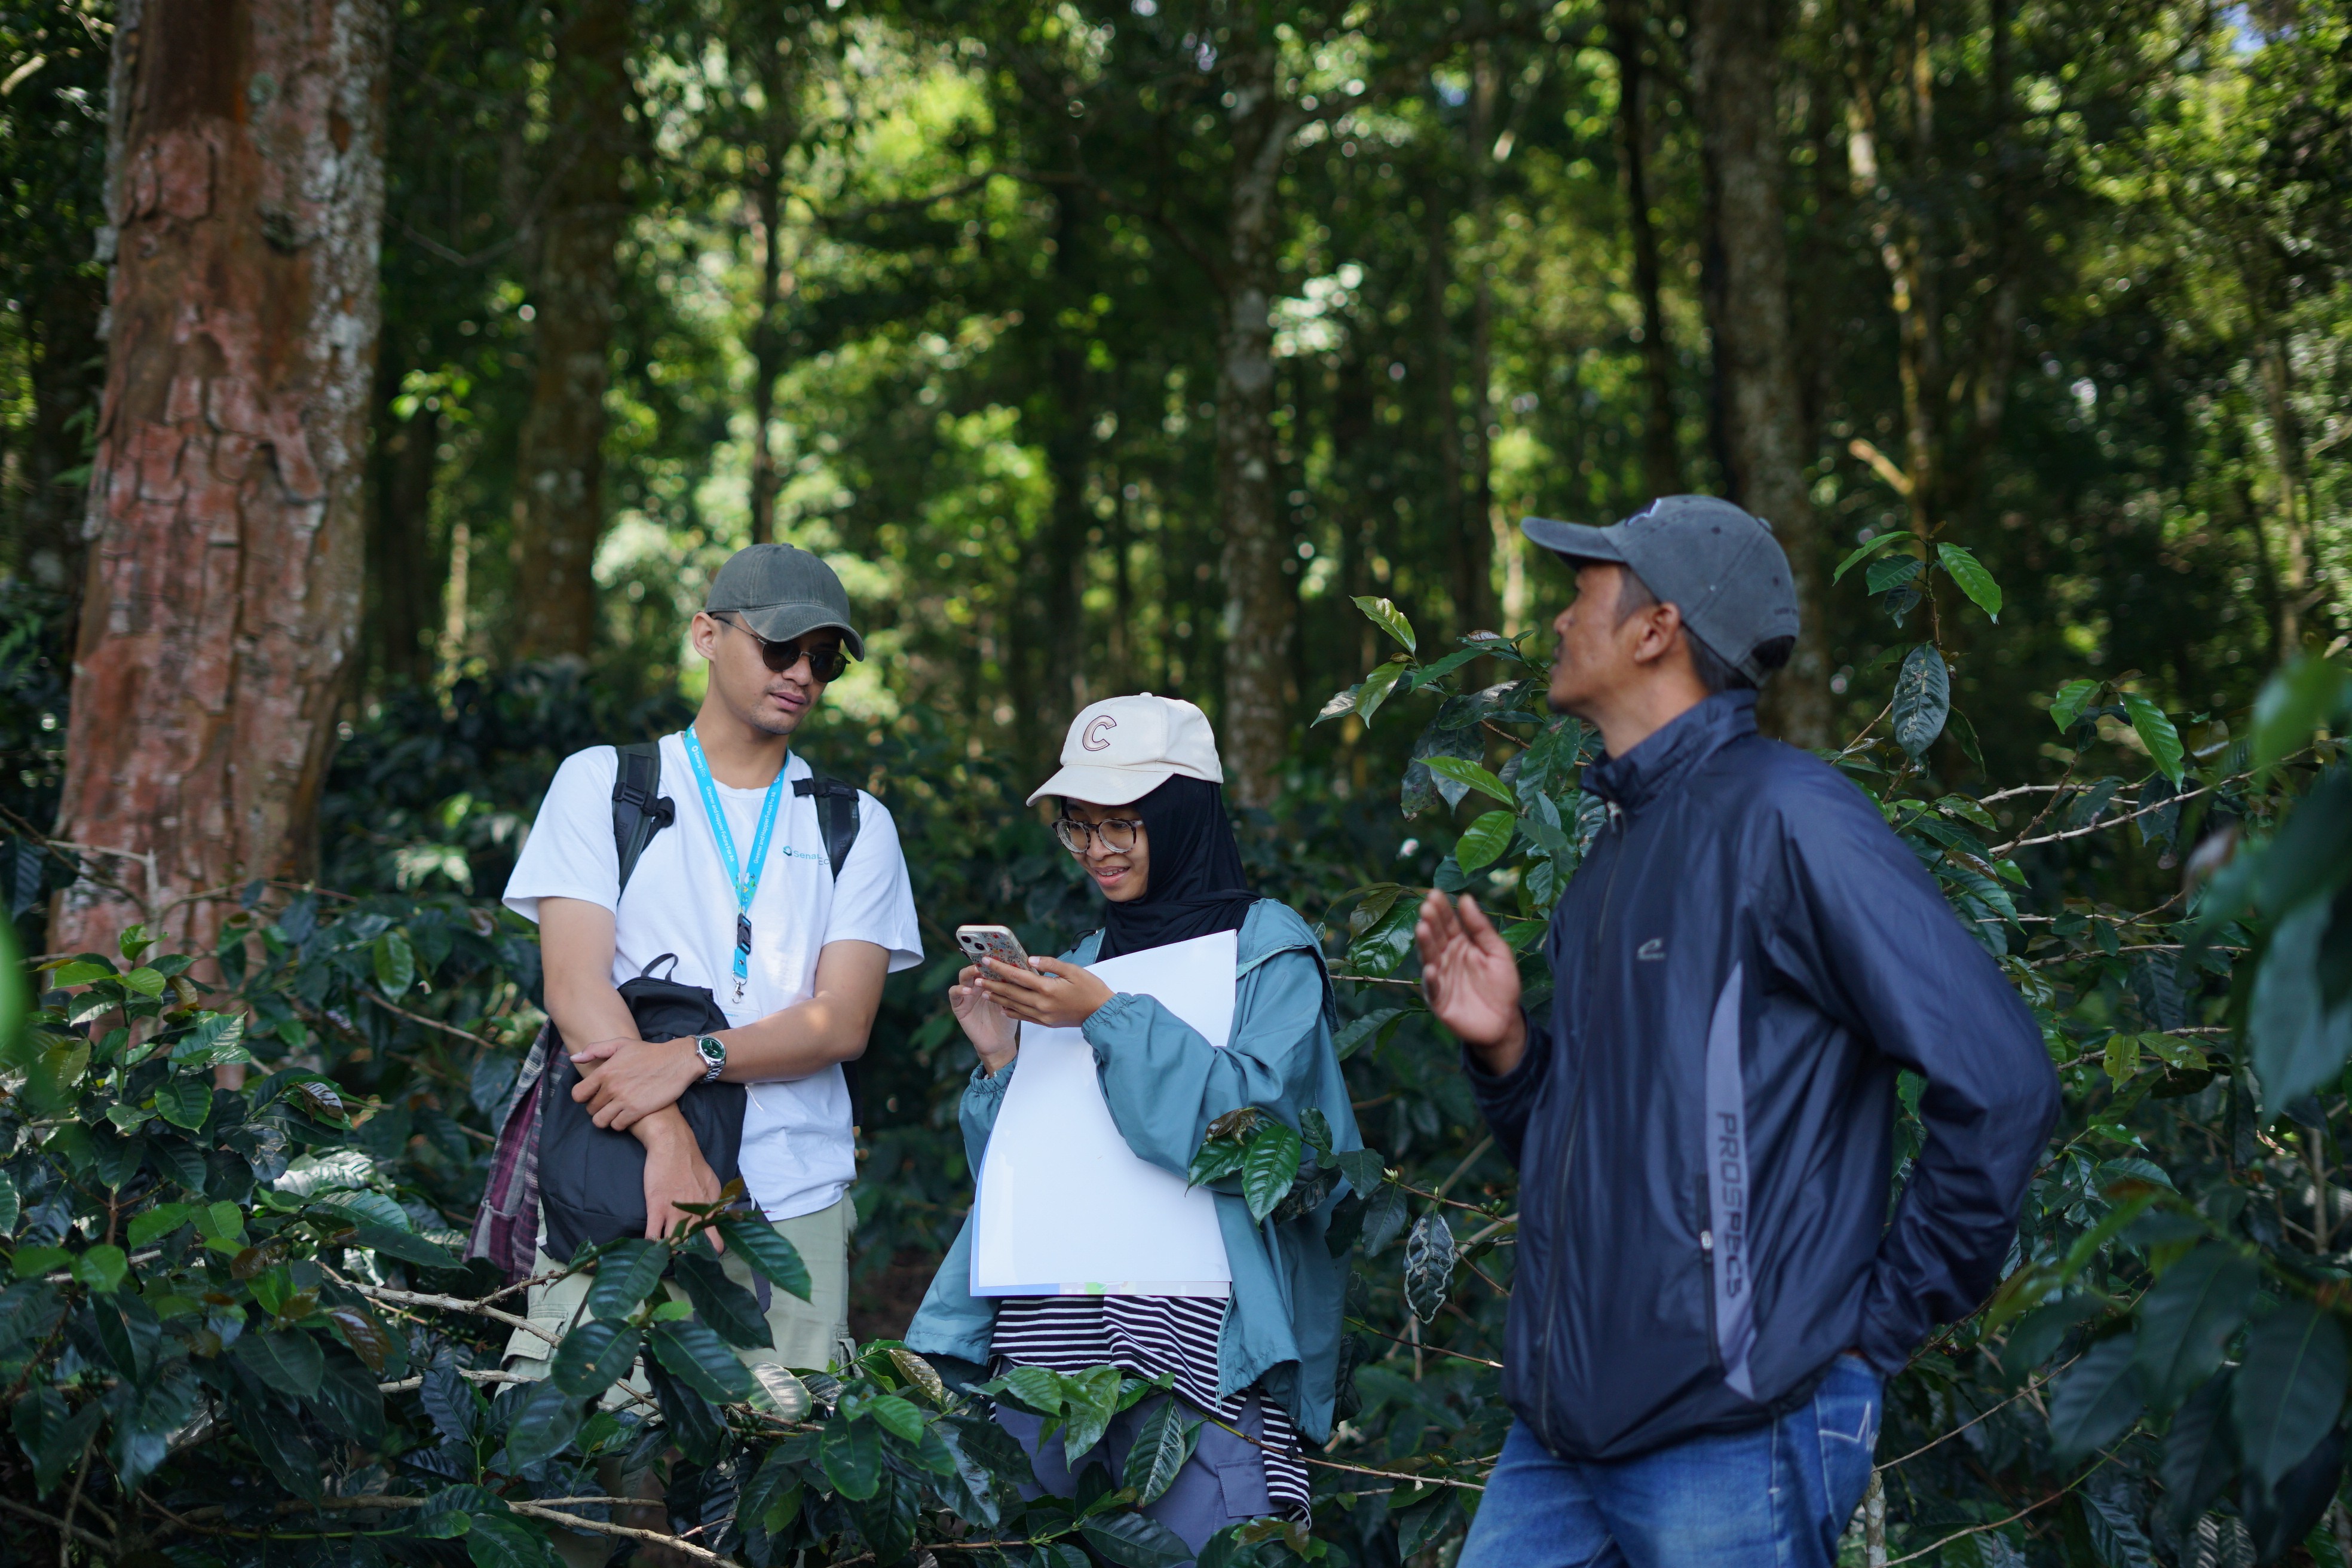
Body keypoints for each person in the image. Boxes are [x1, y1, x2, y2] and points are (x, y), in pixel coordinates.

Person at [1414, 496, 2060, 1567]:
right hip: (1562, 1433)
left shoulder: (1789, 815)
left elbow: (2002, 1082)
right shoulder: (1611, 861)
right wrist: (1508, 1049)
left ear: (1656, 629)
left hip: (1735, 1427)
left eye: (1584, 596)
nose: (1561, 622)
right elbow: (1595, 1155)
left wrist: (1874, 1329)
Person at [906, 694, 1360, 1557]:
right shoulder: (1082, 961)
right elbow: (1024, 1177)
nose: (1099, 853)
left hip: (1200, 1357)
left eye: (1123, 826)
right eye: (1079, 828)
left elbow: (1255, 1136)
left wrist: (1108, 1018)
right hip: (1048, 1350)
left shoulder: (1268, 951)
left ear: (1182, 814)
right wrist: (1003, 1061)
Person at [500, 543, 923, 1382]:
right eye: (781, 647)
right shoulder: (605, 785)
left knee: (781, 1459)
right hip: (618, 1168)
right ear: (706, 634)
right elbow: (576, 986)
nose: (802, 672)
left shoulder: (854, 823)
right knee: (592, 1452)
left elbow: (843, 1022)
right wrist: (668, 1138)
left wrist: (698, 1055)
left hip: (794, 1189)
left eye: (824, 659)